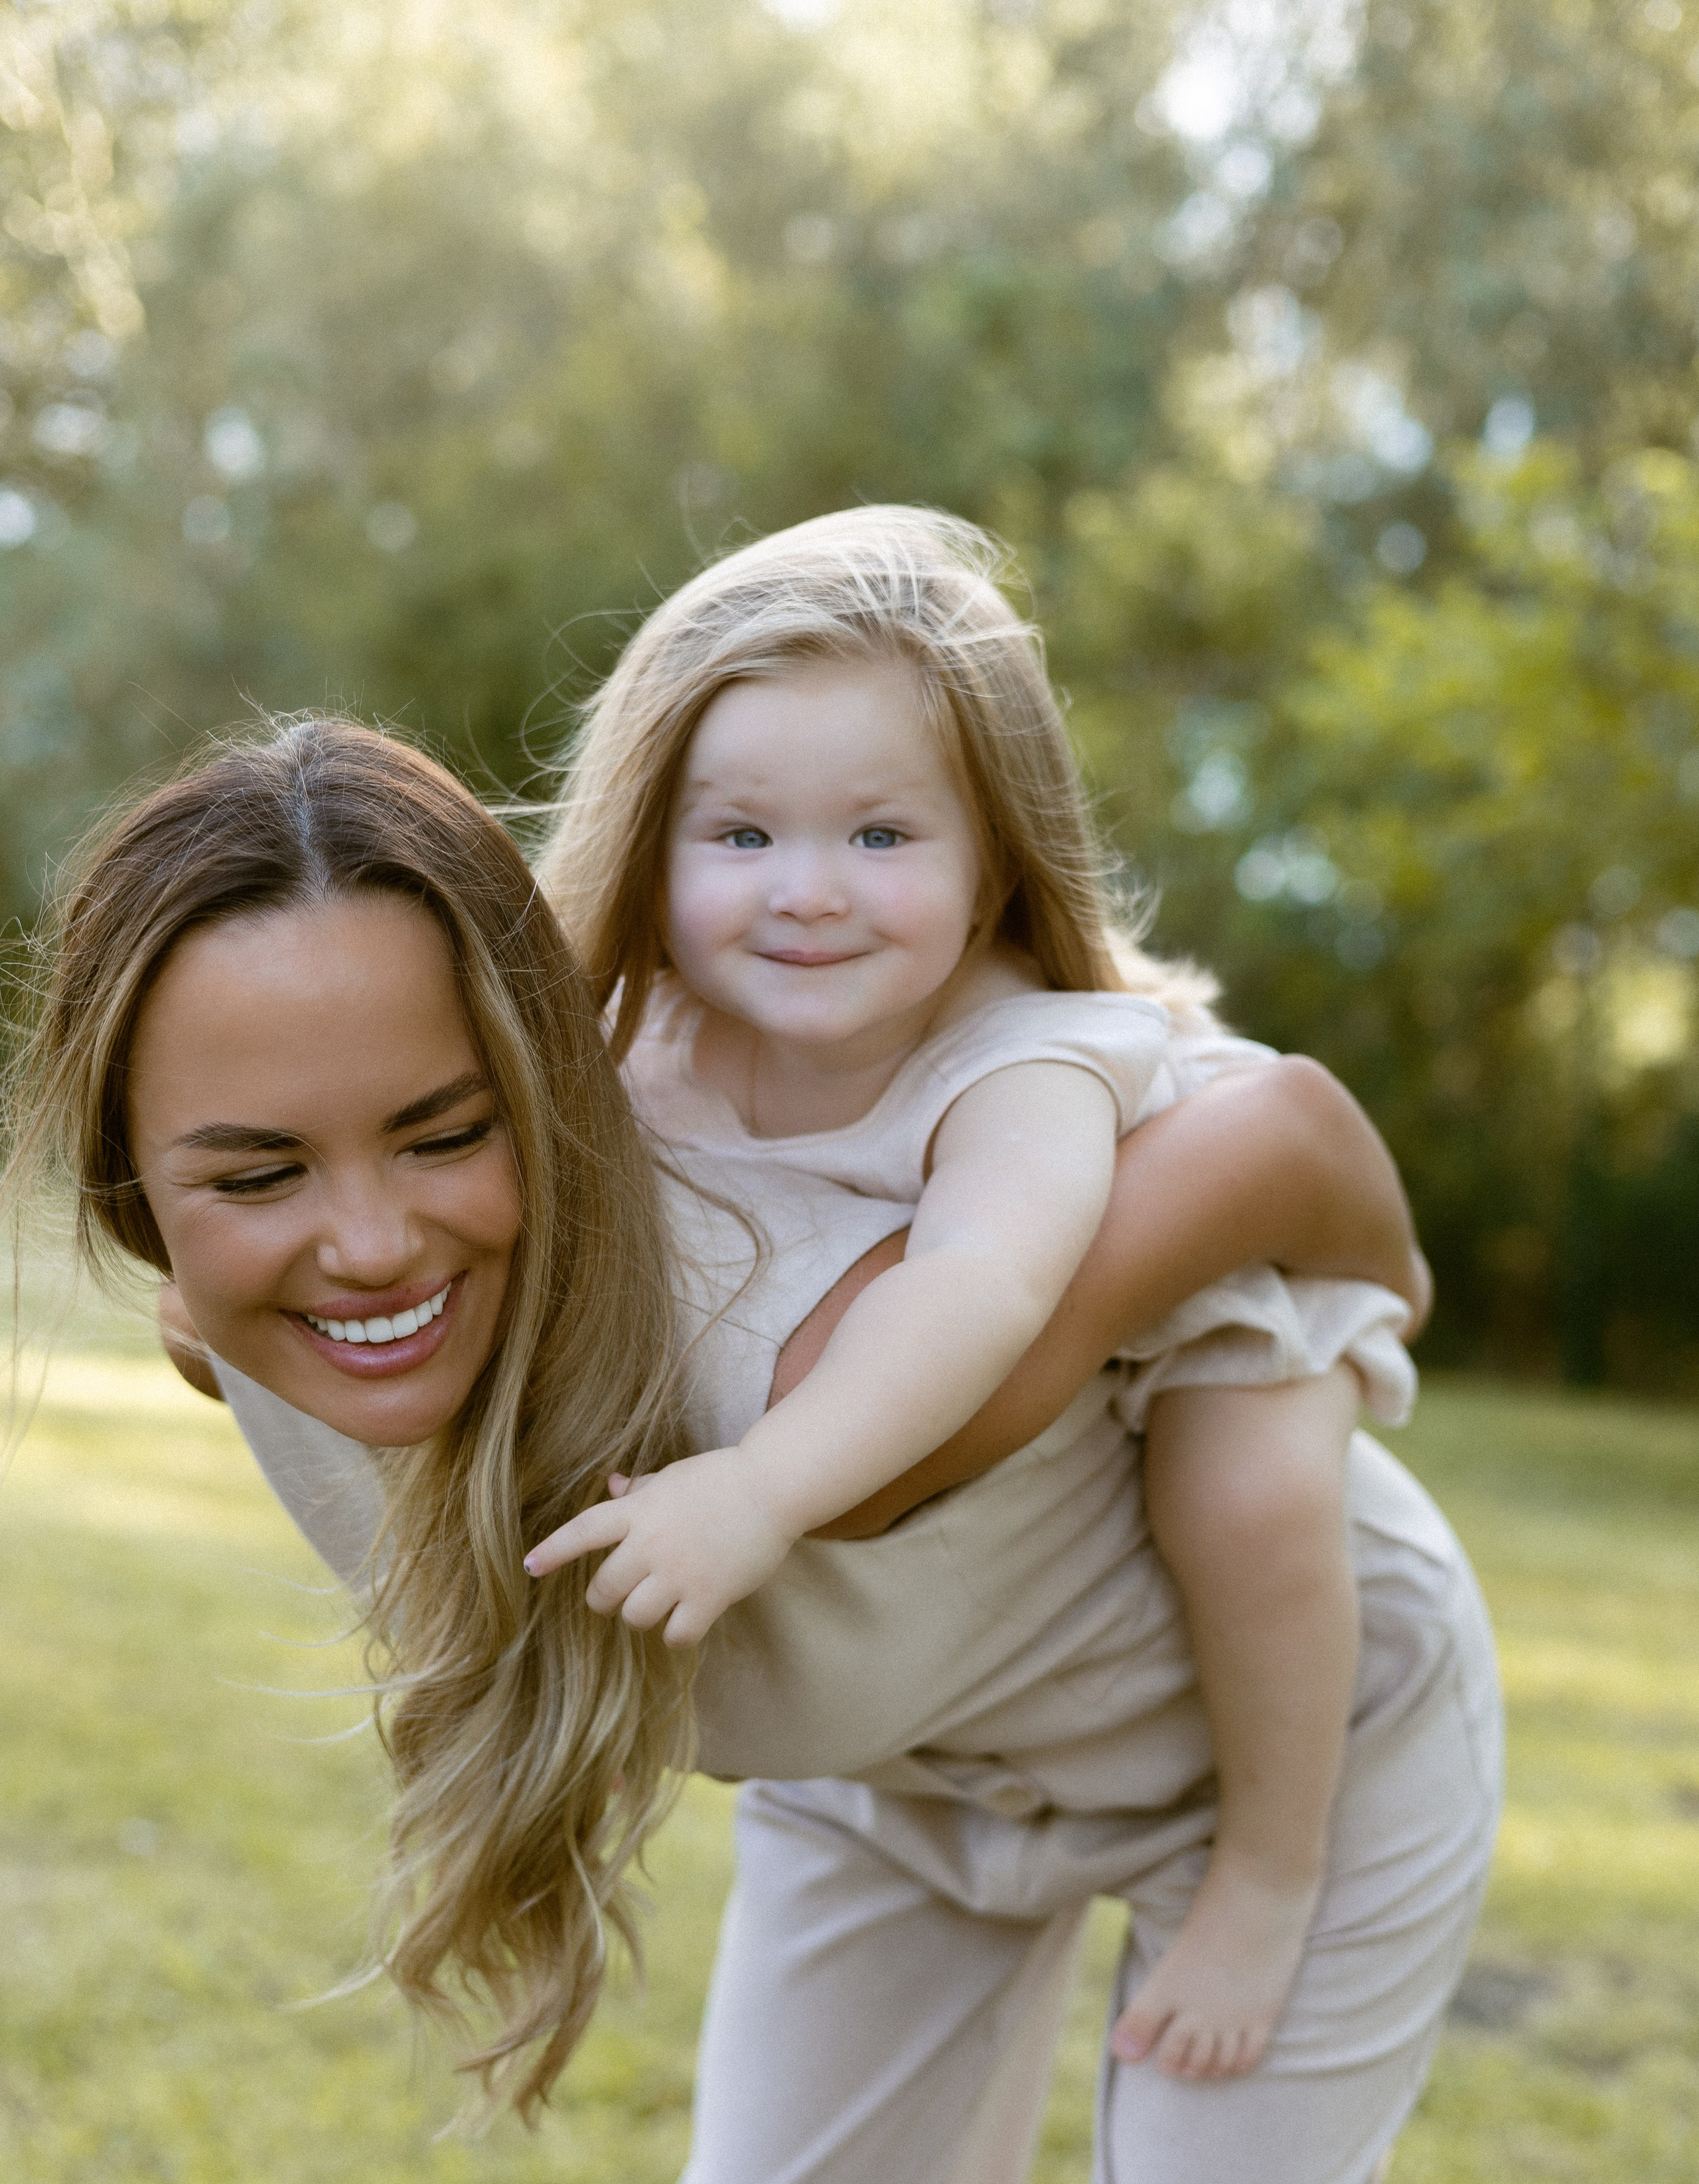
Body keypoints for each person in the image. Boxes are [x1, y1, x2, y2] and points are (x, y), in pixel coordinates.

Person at [5, 709, 1497, 2184]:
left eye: (442, 1132)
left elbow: (1283, 1128)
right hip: (894, 1770)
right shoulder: (233, 1332)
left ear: (538, 1082)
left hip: (1283, 1730)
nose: (367, 1244)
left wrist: (1387, 1284)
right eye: (251, 1174)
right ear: (134, 1195)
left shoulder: (826, 1394)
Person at [527, 507, 1403, 2082]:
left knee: (1245, 1488)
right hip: (952, 1636)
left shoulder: (1027, 1062)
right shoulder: (635, 1044)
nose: (807, 892)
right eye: (740, 837)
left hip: (1191, 1276)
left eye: (881, 836)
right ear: (648, 843)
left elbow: (982, 1288)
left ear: (992, 855)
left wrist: (756, 1490)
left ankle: (1270, 1867)